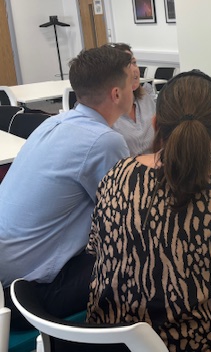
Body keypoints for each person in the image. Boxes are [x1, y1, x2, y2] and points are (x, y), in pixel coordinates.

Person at [87, 70, 211, 352]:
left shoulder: (117, 175)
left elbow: (96, 247)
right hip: (200, 342)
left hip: (113, 339)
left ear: (156, 124)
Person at [0, 45, 134, 328]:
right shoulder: (103, 141)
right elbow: (130, 215)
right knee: (143, 254)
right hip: (30, 293)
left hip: (6, 277)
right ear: (117, 94)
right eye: (130, 82)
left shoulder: (54, 123)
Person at [110, 43, 156, 156]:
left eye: (134, 62)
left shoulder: (146, 98)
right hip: (126, 170)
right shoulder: (108, 108)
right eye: (126, 65)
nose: (134, 69)